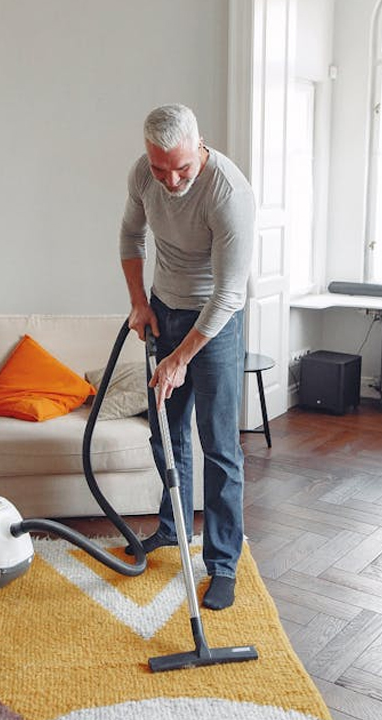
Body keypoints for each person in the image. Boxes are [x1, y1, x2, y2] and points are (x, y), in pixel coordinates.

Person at [119, 104, 255, 610]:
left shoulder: (228, 193)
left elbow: (228, 295)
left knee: (218, 446)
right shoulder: (144, 173)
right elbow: (131, 237)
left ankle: (222, 563)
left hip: (214, 324)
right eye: (160, 169)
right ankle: (173, 529)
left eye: (181, 168)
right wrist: (138, 302)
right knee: (165, 430)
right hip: (163, 308)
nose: (171, 180)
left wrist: (179, 358)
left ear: (199, 146)